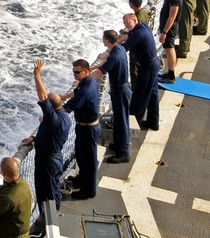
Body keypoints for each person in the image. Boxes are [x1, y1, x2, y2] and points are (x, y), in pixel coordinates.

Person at [21, 60, 71, 217]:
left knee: (46, 193)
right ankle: (55, 214)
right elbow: (50, 135)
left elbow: (43, 96)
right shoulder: (64, 117)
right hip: (55, 158)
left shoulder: (53, 119)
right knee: (53, 188)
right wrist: (35, 139)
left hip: (47, 162)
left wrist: (37, 75)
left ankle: (49, 222)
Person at [61, 59, 101, 200]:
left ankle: (89, 191)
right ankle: (82, 178)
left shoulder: (86, 90)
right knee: (81, 155)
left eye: (77, 72)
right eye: (73, 72)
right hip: (83, 126)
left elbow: (66, 108)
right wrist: (64, 96)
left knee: (89, 161)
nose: (74, 74)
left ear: (86, 71)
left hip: (88, 129)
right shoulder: (87, 82)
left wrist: (50, 109)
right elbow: (75, 93)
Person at [91, 31, 131, 163]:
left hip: (120, 92)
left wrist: (83, 77)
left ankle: (123, 153)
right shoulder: (119, 49)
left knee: (121, 123)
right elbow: (105, 63)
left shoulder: (114, 56)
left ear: (107, 41)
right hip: (122, 90)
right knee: (120, 121)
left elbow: (99, 72)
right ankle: (120, 145)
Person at [119, 12, 160, 130]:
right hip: (154, 63)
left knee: (140, 95)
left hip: (147, 66)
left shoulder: (138, 33)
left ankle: (133, 124)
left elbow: (124, 48)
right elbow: (131, 34)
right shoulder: (144, 26)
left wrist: (112, 49)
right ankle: (153, 122)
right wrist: (126, 32)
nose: (126, 25)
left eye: (128, 22)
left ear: (135, 21)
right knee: (152, 94)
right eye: (125, 23)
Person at [158, 0, 182, 83]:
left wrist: (164, 32)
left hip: (170, 28)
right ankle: (170, 72)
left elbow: (172, 17)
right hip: (168, 27)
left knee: (170, 49)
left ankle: (171, 76)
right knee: (168, 49)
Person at [126, 0, 152, 86]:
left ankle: (135, 89)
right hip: (143, 45)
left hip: (137, 47)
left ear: (131, 4)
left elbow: (135, 33)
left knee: (135, 69)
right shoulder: (143, 13)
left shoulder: (137, 17)